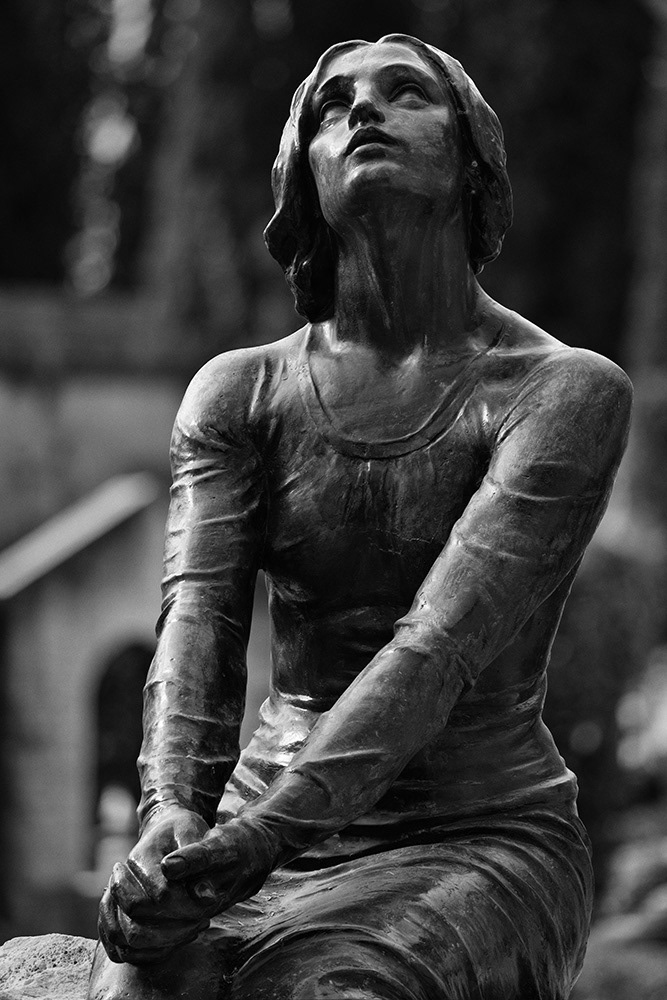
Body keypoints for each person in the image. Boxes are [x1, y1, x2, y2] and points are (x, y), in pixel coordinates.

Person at [89, 34, 632, 1000]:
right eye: (331, 106)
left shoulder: (558, 392)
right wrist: (173, 812)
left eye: (404, 93)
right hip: (257, 825)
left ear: (471, 158)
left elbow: (437, 648)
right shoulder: (240, 393)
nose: (362, 112)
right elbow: (198, 625)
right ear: (303, 173)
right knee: (137, 987)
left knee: (342, 991)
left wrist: (261, 835)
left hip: (471, 832)